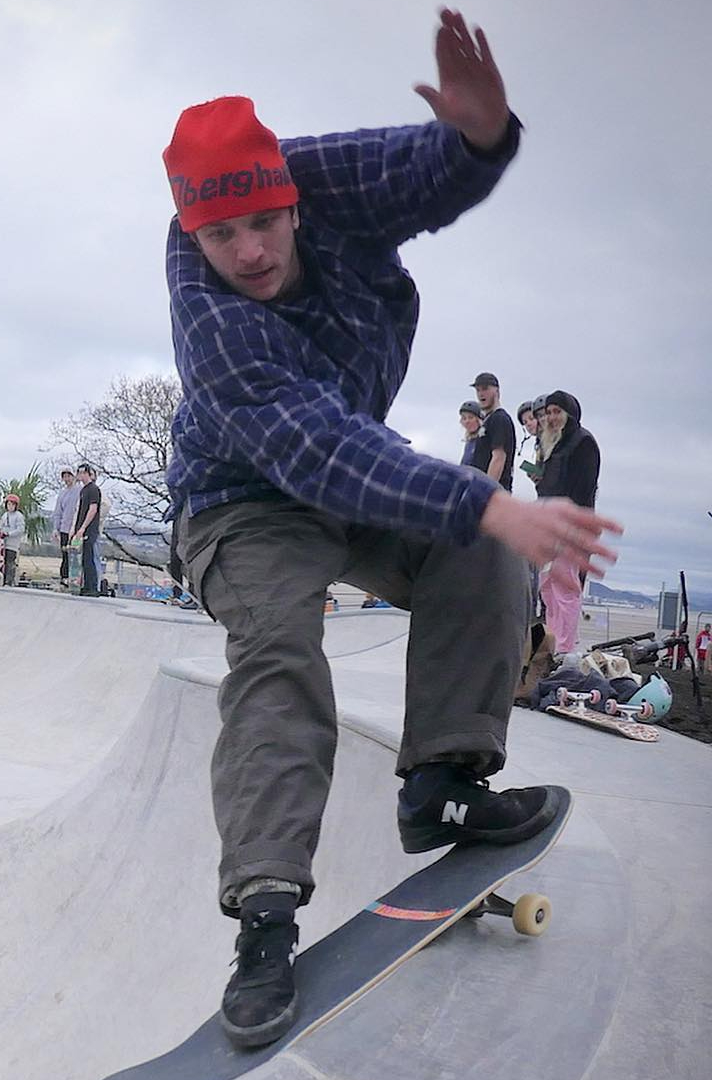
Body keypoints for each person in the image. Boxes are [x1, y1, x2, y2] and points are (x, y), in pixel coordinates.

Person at [160, 11, 620, 1048]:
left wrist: (479, 136)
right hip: (241, 503)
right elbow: (318, 446)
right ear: (194, 232)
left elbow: (418, 173)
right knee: (281, 648)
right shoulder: (210, 317)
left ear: (289, 197)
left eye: (264, 224)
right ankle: (265, 920)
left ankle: (445, 782)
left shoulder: (316, 177)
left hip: (342, 482)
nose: (250, 252)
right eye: (222, 236)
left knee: (483, 541)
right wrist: (486, 495)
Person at [534, 390, 602, 654]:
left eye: (556, 412)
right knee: (547, 586)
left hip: (571, 525)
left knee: (566, 587)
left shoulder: (583, 442)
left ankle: (564, 648)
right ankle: (553, 643)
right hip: (548, 521)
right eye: (548, 412)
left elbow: (584, 489)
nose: (551, 418)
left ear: (569, 414)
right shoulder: (551, 444)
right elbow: (546, 485)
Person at [469, 373, 515, 490]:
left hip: (495, 491)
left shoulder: (499, 419)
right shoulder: (488, 420)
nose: (481, 394)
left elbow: (499, 457)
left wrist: (487, 490)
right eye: (478, 390)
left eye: (485, 389)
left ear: (497, 391)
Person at [70, 464, 102, 596]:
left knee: (90, 558)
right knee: (83, 559)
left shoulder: (94, 489)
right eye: (79, 473)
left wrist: (84, 527)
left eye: (83, 472)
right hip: (80, 529)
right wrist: (75, 528)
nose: (80, 475)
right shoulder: (83, 490)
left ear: (89, 473)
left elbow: (93, 509)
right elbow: (79, 511)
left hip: (90, 529)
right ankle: (86, 585)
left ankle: (93, 587)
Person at [51, 467, 82, 588]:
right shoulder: (62, 493)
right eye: (65, 476)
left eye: (69, 476)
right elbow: (58, 512)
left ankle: (76, 580)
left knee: (76, 556)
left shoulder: (80, 490)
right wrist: (56, 528)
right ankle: (64, 579)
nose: (67, 479)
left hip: (76, 529)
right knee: (65, 555)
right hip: (64, 529)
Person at [0, 494, 26, 586]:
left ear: (16, 506)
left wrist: (9, 534)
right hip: (3, 543)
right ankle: (1, 579)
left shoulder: (19, 516)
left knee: (10, 562)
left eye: (12, 504)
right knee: (1, 562)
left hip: (13, 544)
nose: (10, 506)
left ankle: (9, 580)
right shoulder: (5, 515)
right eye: (8, 504)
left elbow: (20, 529)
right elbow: (0, 525)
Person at [457, 401, 481, 466]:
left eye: (471, 417)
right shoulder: (469, 443)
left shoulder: (485, 440)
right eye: (464, 418)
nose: (467, 421)